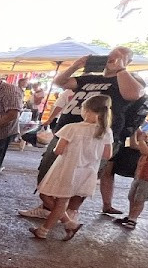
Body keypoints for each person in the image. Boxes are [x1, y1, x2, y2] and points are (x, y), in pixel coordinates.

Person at [44, 48, 146, 217]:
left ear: (128, 62)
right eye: (112, 55)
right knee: (51, 168)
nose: (113, 59)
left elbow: (134, 94)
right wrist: (76, 65)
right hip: (69, 130)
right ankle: (49, 209)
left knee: (86, 174)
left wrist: (120, 70)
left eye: (121, 57)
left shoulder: (128, 80)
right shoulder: (90, 78)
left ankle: (71, 212)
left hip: (99, 136)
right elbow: (60, 82)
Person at [30, 95, 112, 240]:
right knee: (58, 199)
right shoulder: (106, 131)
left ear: (86, 110)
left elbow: (58, 150)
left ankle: (44, 230)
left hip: (67, 168)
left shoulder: (72, 128)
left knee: (52, 197)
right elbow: (107, 154)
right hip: (87, 170)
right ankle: (69, 224)